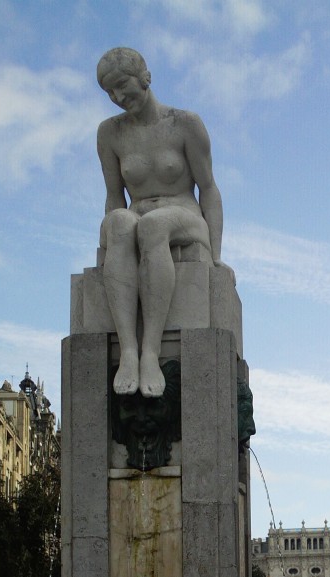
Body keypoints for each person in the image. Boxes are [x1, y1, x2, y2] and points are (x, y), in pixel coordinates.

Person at [96, 47, 229, 398]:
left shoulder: (185, 124)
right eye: (110, 92)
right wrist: (109, 237)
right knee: (123, 223)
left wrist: (214, 256)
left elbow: (209, 190)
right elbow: (114, 197)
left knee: (153, 225)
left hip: (184, 216)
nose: (118, 97)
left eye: (123, 86)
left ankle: (151, 350)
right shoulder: (109, 134)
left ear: (145, 77)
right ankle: (129, 350)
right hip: (136, 216)